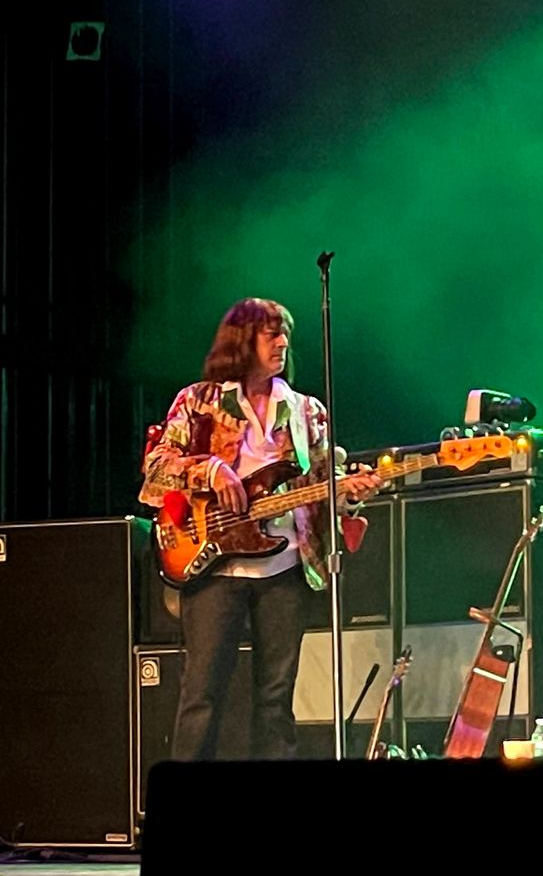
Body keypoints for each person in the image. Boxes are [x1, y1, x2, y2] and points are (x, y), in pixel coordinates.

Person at [139, 297, 381, 761]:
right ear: (242, 340)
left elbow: (324, 485)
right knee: (202, 695)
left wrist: (351, 492)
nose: (283, 342)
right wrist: (211, 470)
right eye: (272, 334)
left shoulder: (307, 411)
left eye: (286, 333)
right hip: (213, 565)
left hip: (285, 565)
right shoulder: (199, 401)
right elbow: (156, 467)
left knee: (276, 699)